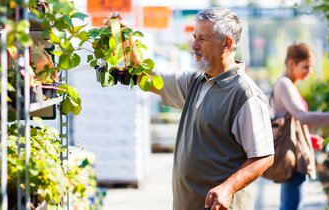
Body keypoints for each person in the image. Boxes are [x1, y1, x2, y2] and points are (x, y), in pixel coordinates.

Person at [107, 8, 274, 210]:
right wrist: (125, 37)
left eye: (202, 39)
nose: (194, 45)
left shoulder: (244, 94)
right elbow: (145, 78)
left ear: (227, 44)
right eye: (194, 37)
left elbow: (263, 156)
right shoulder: (195, 81)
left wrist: (228, 188)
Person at [271, 43, 329, 210]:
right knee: (290, 206)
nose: (310, 72)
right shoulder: (285, 85)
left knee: (289, 204)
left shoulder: (286, 84)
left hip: (293, 154)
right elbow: (303, 117)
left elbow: (293, 121)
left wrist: (308, 138)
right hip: (292, 158)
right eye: (306, 67)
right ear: (292, 63)